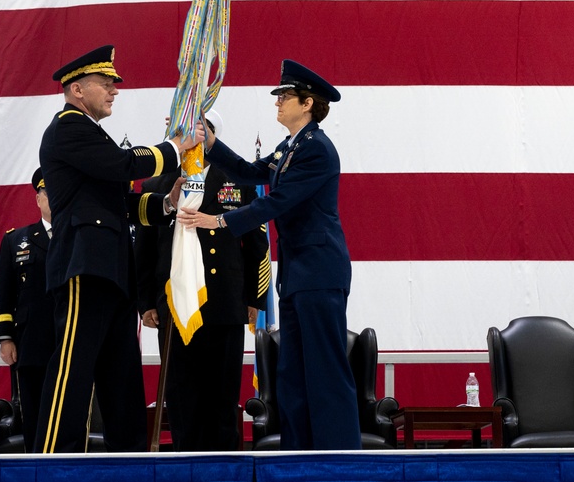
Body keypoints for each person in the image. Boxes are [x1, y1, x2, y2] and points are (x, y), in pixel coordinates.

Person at [177, 60, 361, 450]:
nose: (277, 102)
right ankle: (297, 457)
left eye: (285, 96)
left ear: (308, 102)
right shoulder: (289, 147)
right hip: (297, 273)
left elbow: (276, 202)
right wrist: (209, 143)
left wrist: (221, 222)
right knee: (292, 373)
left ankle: (340, 460)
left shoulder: (316, 150)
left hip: (320, 272)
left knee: (325, 370)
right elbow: (247, 172)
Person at [36, 44, 204, 453]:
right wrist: (175, 148)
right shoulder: (67, 127)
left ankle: (128, 458)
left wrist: (165, 202)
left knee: (122, 377)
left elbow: (120, 203)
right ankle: (52, 459)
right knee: (72, 371)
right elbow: (124, 166)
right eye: (105, 83)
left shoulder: (91, 134)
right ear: (76, 89)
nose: (114, 90)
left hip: (111, 270)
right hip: (83, 266)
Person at [135, 111, 270, 451]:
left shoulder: (236, 184)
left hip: (224, 301)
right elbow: (144, 250)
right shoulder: (157, 186)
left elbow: (257, 246)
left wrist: (255, 300)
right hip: (175, 305)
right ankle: (186, 464)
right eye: (184, 130)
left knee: (222, 395)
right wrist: (146, 302)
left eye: (200, 129)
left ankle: (224, 467)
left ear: (212, 136)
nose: (193, 136)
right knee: (181, 396)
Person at [0, 167, 54, 452]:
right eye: (46, 192)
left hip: (72, 339)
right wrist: (5, 338)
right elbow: (4, 294)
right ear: (38, 198)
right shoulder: (16, 240)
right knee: (35, 417)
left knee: (71, 417)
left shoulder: (80, 236)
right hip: (32, 343)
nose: (52, 198)